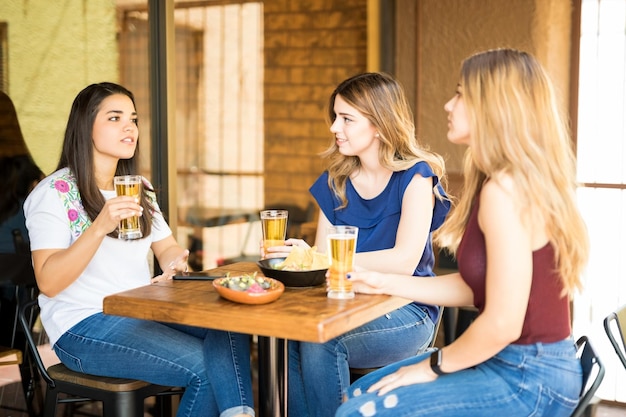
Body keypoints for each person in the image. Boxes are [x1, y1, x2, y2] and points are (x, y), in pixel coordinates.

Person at [335, 48, 589, 417]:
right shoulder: (501, 181)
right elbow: (478, 287)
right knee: (358, 393)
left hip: (529, 378)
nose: (448, 105)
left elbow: (502, 323)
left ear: (493, 107)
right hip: (511, 362)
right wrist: (382, 282)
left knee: (357, 412)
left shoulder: (505, 191)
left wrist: (429, 366)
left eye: (460, 94)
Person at [24, 82, 255, 417]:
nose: (129, 127)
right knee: (205, 369)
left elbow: (168, 249)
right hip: (84, 327)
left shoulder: (138, 190)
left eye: (132, 119)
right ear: (85, 127)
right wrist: (100, 226)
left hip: (140, 313)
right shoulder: (55, 192)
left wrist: (175, 265)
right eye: (115, 118)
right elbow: (48, 281)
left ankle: (238, 412)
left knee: (229, 327)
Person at [265, 72, 450, 417]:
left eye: (347, 119)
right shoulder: (335, 182)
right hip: (344, 304)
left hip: (406, 309)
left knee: (323, 342)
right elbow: (322, 266)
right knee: (287, 338)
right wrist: (302, 259)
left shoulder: (416, 177)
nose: (335, 127)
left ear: (379, 124)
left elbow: (403, 261)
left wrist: (321, 258)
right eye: (335, 117)